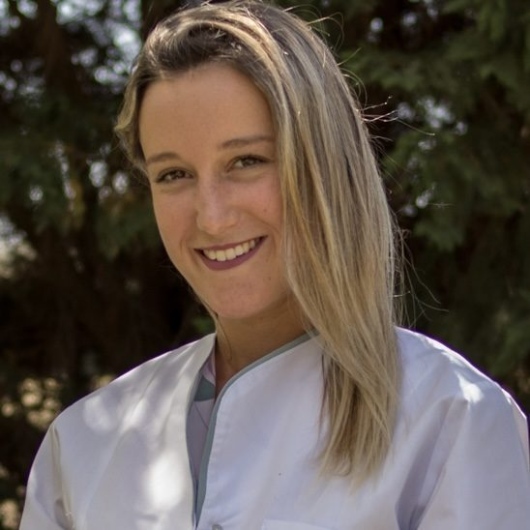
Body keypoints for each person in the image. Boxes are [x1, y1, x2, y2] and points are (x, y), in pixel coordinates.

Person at [20, 1, 530, 529]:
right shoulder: (81, 449)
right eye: (173, 174)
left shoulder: (450, 422)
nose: (212, 217)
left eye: (246, 161)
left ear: (325, 168)